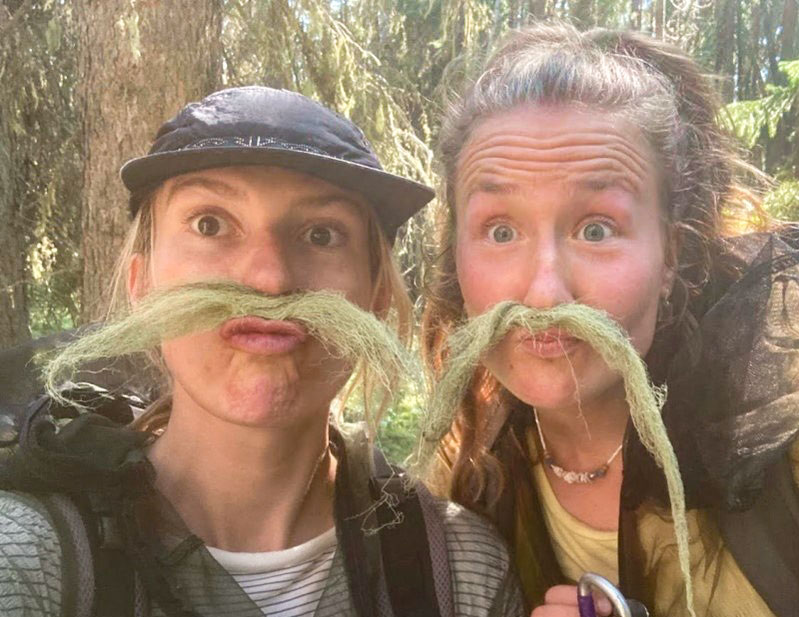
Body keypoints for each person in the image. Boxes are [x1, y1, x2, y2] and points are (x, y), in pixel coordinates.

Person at [421, 24, 799, 617]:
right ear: (457, 257)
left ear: (671, 258)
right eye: (501, 231)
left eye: (597, 229)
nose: (543, 292)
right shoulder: (461, 478)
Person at [0, 86, 524, 617]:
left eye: (321, 234)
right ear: (142, 286)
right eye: (211, 224)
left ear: (377, 298)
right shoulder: (26, 562)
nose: (270, 279)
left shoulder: (461, 572)